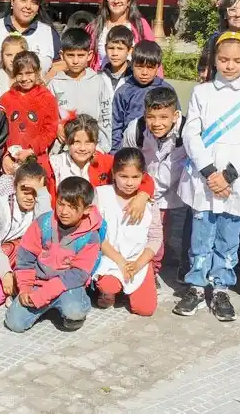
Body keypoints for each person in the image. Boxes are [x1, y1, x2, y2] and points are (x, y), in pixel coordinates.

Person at [174, 31, 240, 322]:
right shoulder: (201, 92)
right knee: (200, 236)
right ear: (214, 59)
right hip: (205, 180)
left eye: (237, 60)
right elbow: (191, 133)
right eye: (224, 59)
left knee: (228, 238)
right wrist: (210, 172)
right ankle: (196, 286)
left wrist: (228, 175)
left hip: (235, 182)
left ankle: (221, 288)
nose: (229, 65)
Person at [4, 176, 102, 333]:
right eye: (61, 204)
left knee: (74, 312)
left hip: (67, 286)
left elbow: (78, 274)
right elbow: (25, 259)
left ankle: (75, 304)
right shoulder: (43, 223)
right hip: (38, 283)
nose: (64, 212)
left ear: (87, 210)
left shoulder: (90, 236)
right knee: (14, 324)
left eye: (72, 207)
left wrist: (45, 294)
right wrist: (25, 288)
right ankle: (47, 306)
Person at [122, 87, 191, 280]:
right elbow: (127, 159)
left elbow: (179, 167)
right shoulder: (136, 129)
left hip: (175, 188)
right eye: (151, 117)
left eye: (163, 117)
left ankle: (174, 266)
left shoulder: (187, 131)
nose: (157, 123)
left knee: (168, 232)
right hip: (143, 186)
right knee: (151, 230)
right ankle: (149, 269)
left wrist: (147, 194)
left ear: (175, 115)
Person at [92, 148, 162, 316]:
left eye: (135, 177)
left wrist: (138, 264)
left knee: (145, 309)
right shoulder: (101, 195)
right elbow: (96, 233)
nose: (129, 183)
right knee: (109, 285)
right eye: (123, 176)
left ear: (143, 176)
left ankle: (139, 282)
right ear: (114, 173)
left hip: (138, 260)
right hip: (111, 258)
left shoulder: (149, 202)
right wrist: (120, 262)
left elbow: (155, 236)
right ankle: (109, 291)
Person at [40, 114, 155, 213]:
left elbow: (143, 178)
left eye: (88, 142)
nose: (82, 148)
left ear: (96, 143)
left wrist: (142, 196)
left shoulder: (107, 162)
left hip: (98, 222)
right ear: (68, 142)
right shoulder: (54, 164)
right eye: (77, 142)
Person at [0, 159, 52, 307]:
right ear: (15, 187)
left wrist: (42, 194)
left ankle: (20, 286)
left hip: (24, 262)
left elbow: (47, 234)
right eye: (24, 190)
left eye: (35, 192)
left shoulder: (42, 203)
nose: (29, 197)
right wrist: (5, 273)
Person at [48, 27, 115, 153]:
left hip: (92, 148)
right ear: (62, 55)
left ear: (89, 55)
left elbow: (105, 115)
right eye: (70, 55)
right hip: (63, 149)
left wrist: (103, 147)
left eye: (80, 55)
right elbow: (47, 115)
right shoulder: (54, 84)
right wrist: (56, 126)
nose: (75, 61)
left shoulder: (98, 82)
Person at [0, 51, 59, 165]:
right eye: (19, 74)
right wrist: (5, 155)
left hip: (36, 159)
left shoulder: (47, 98)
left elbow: (50, 130)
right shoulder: (6, 99)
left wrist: (32, 150)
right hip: (10, 160)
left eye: (29, 73)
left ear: (37, 72)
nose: (24, 78)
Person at [111, 40, 172, 151]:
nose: (144, 72)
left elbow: (175, 121)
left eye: (150, 67)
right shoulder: (123, 92)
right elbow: (116, 125)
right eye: (139, 67)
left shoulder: (167, 90)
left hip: (161, 148)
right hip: (131, 148)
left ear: (158, 67)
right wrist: (115, 152)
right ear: (132, 65)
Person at [86, 0, 154, 70]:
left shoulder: (140, 26)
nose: (116, 1)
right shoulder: (94, 27)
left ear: (129, 0)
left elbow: (153, 57)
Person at [99, 25, 134, 91]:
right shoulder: (99, 77)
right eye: (111, 48)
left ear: (129, 50)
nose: (115, 53)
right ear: (105, 49)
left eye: (120, 49)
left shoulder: (135, 78)